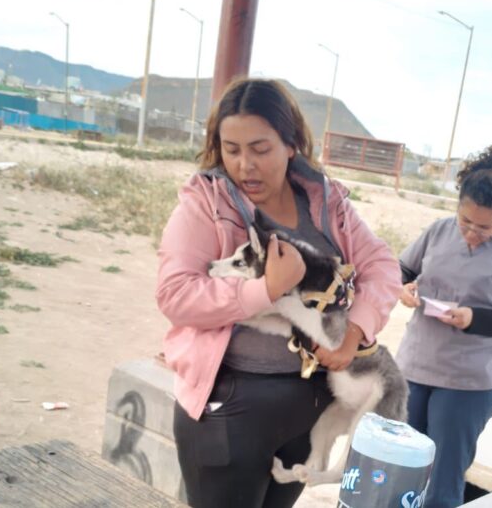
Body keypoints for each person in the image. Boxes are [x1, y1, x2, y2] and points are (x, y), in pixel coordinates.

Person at [156, 78, 401, 508]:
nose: (244, 164)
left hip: (310, 402)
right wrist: (266, 290)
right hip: (231, 403)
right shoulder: (206, 204)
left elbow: (382, 265)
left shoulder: (326, 202)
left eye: (260, 149)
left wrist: (355, 332)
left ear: (291, 145)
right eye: (231, 149)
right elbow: (175, 295)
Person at [395, 144, 492, 508]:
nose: (471, 233)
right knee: (399, 474)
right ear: (457, 206)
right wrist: (404, 288)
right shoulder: (437, 231)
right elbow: (400, 271)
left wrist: (475, 318)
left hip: (468, 383)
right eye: (465, 221)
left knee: (442, 487)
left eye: (484, 227)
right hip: (413, 370)